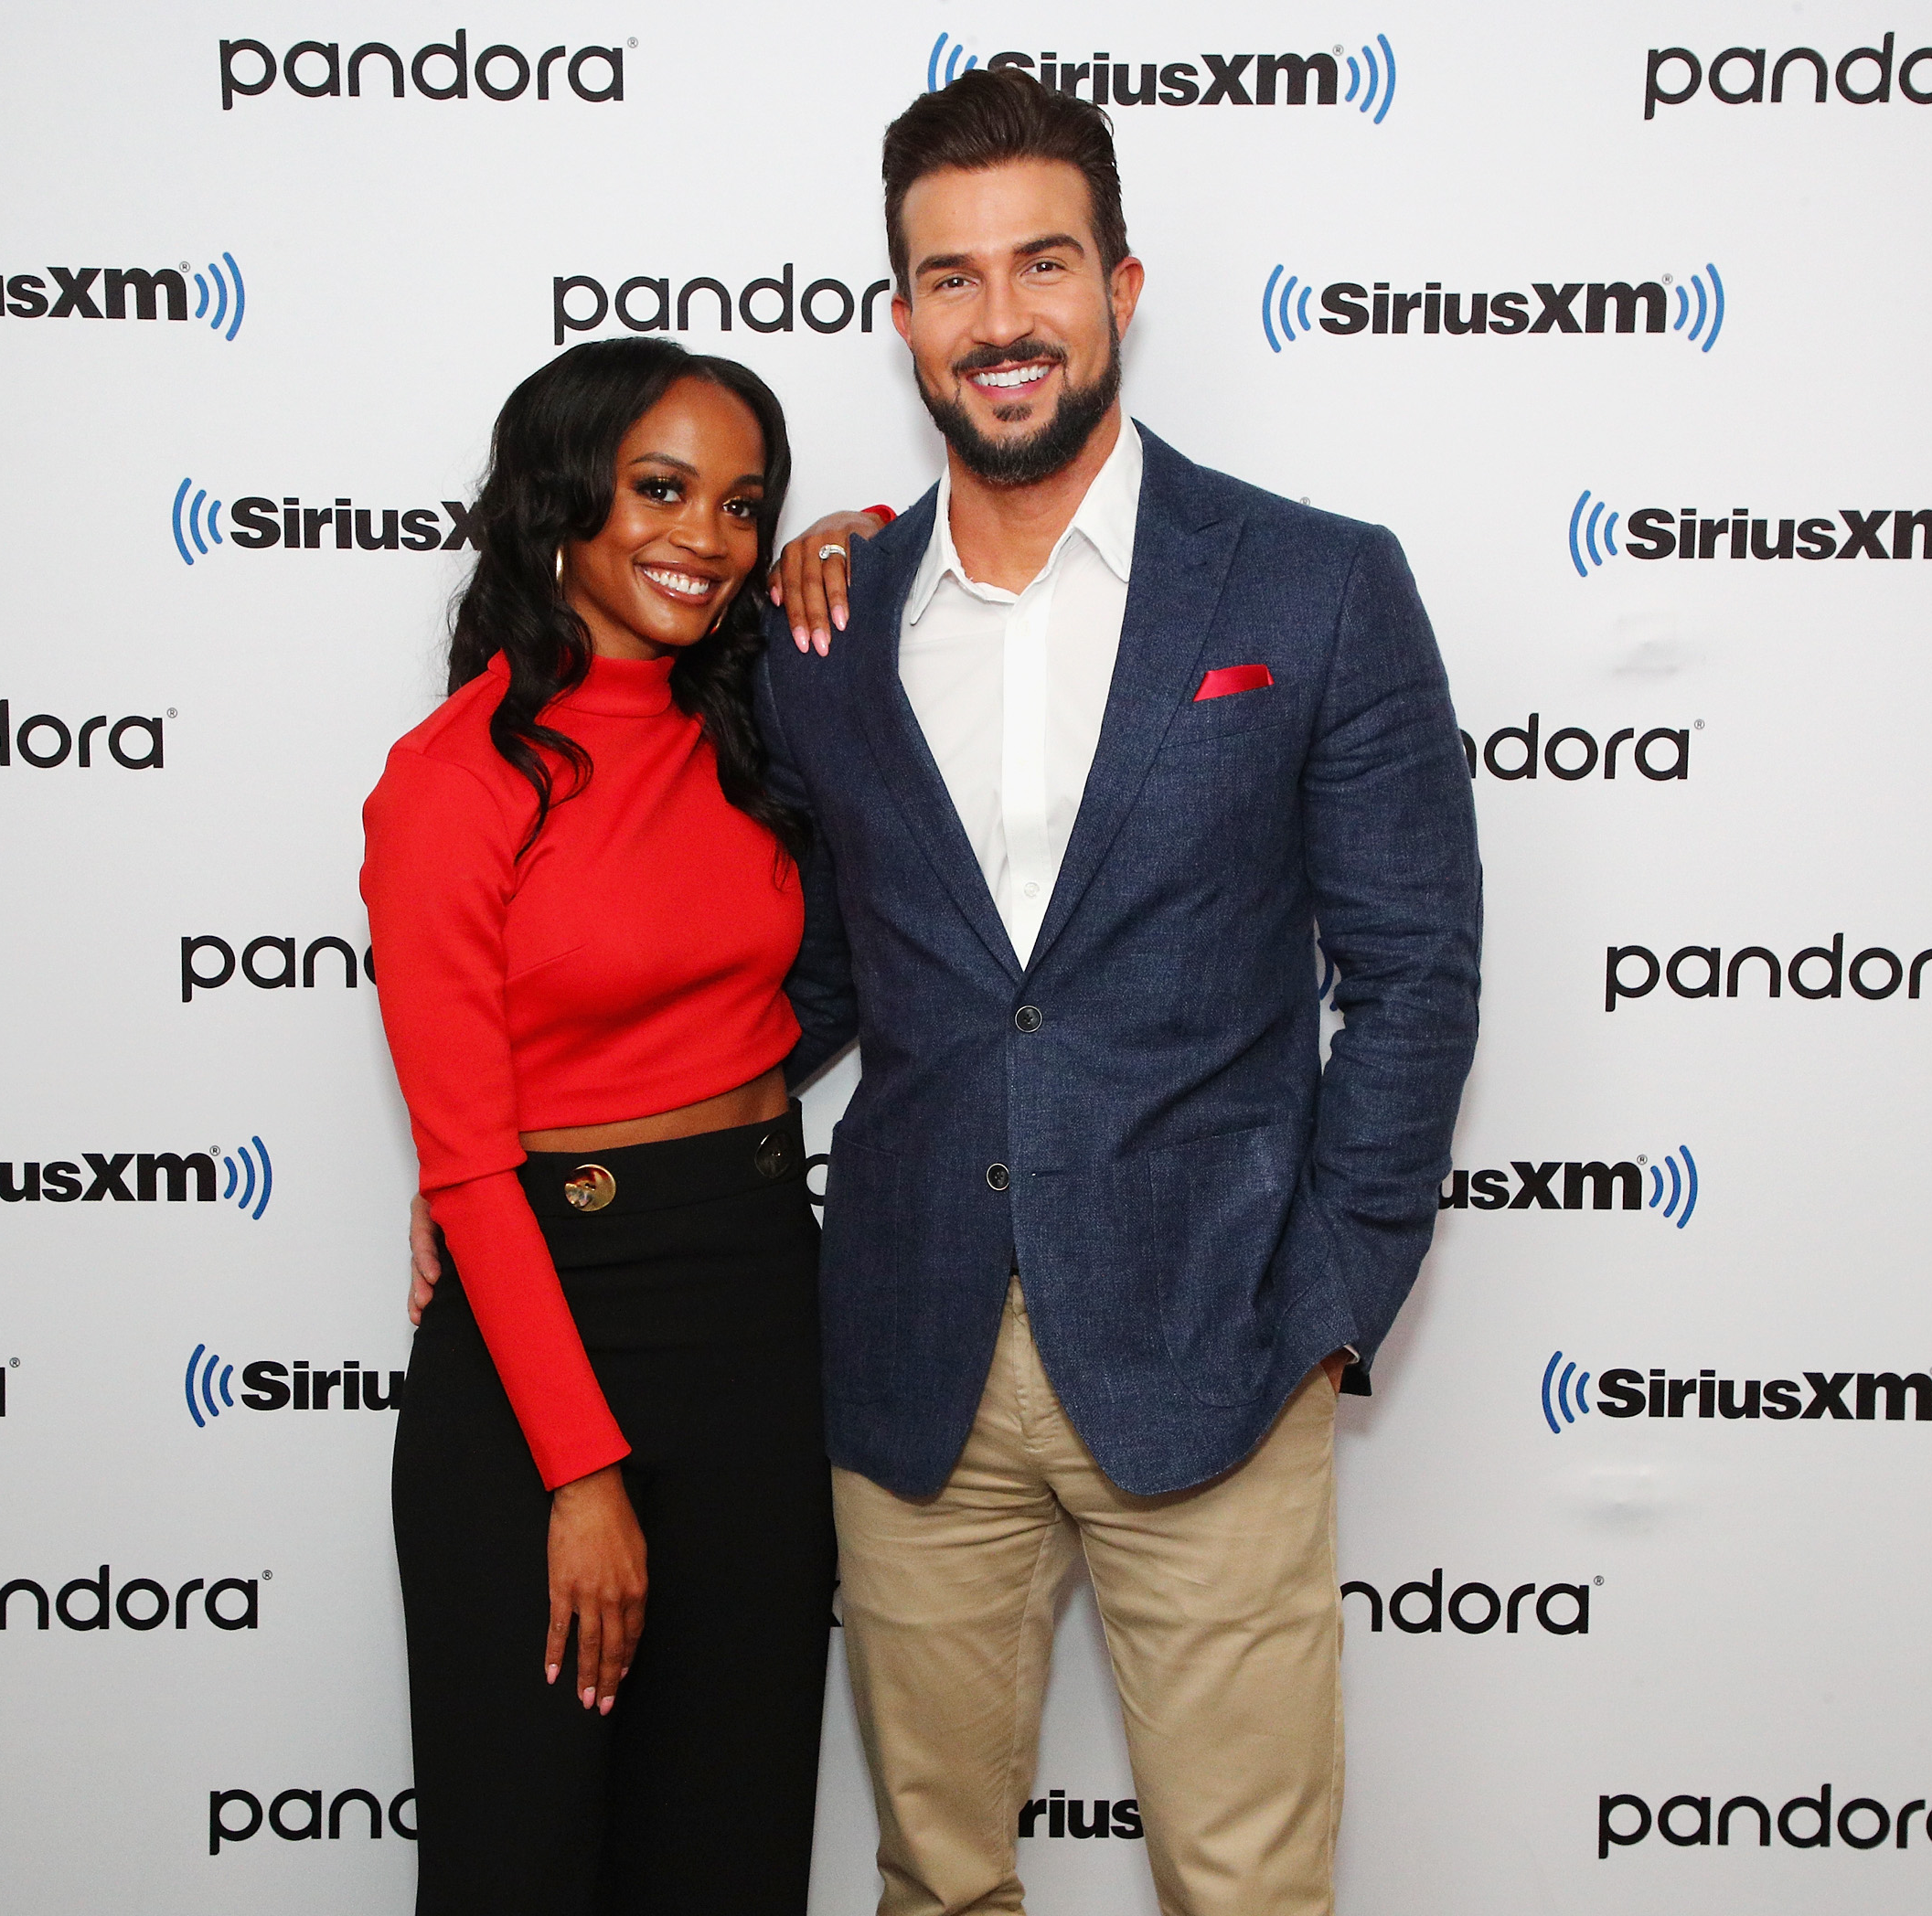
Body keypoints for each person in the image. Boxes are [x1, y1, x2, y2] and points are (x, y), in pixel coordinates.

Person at [759, 71, 1482, 1915]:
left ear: (1122, 283)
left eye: (1044, 265)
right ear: (899, 314)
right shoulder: (824, 628)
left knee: (1246, 1884)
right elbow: (802, 971)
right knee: (936, 1877)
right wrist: (530, 1145)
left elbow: (1411, 977)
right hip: (912, 1352)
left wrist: (1327, 1298)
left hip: (1217, 1346)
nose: (1002, 319)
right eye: (953, 278)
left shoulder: (1316, 586)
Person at [361, 335, 834, 1915]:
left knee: (736, 1844)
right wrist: (582, 1475)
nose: (706, 536)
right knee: (531, 1858)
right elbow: (471, 1165)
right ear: (561, 501)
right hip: (551, 1342)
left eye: (745, 504)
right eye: (660, 489)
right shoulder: (451, 782)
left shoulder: (754, 718)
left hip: (763, 1310)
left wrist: (850, 542)